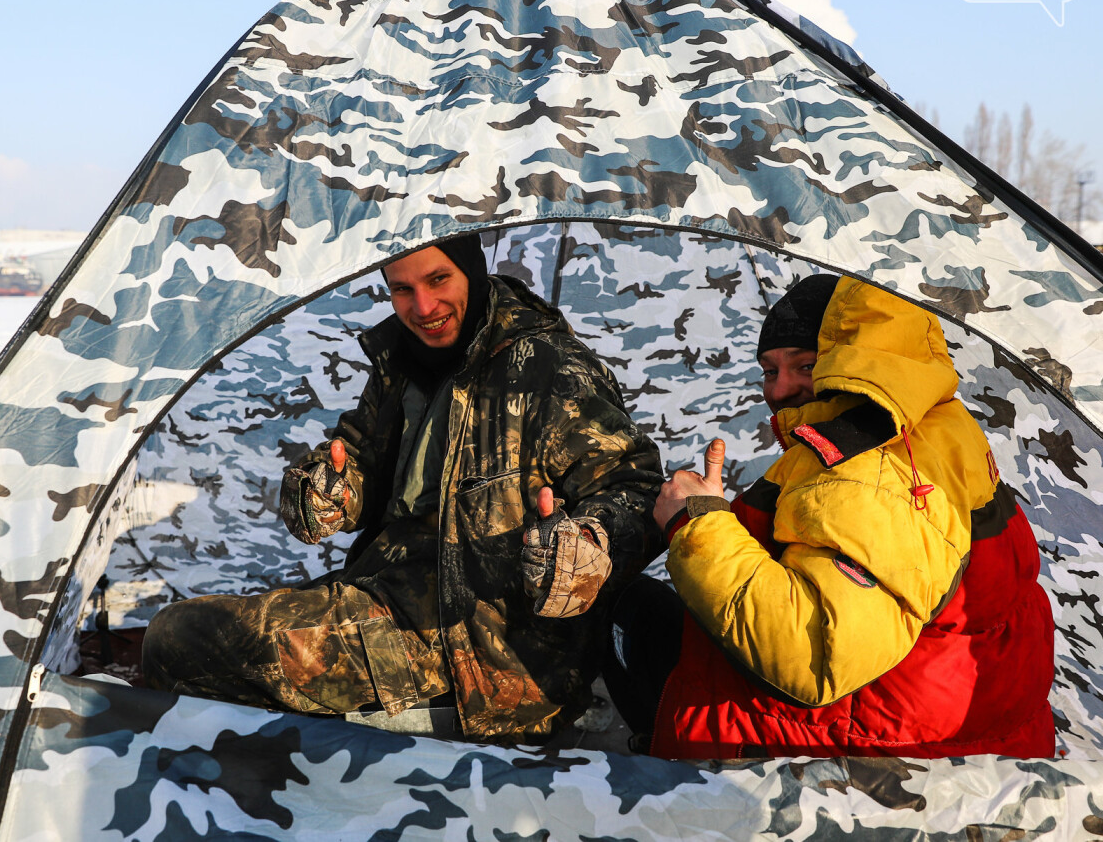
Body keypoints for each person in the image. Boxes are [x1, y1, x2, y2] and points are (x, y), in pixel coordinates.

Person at [144, 234, 663, 743]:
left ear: (472, 270)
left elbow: (634, 489)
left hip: (480, 651)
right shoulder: (404, 360)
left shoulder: (547, 368)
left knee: (179, 639)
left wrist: (586, 545)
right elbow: (363, 460)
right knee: (195, 634)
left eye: (439, 279)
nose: (423, 306)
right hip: (389, 594)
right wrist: (327, 490)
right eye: (401, 289)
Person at [605, 273, 1055, 759]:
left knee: (628, 609)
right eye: (769, 370)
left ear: (856, 362)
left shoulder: (872, 469)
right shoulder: (933, 423)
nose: (780, 390)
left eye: (805, 365)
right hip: (949, 721)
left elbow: (814, 656)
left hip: (859, 763)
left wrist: (697, 522)